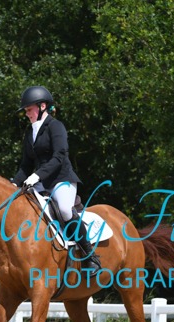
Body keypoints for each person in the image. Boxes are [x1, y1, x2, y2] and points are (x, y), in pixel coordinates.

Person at [11, 85, 102, 275]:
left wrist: (37, 175)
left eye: (29, 110)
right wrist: (13, 184)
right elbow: (26, 165)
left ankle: (90, 256)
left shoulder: (55, 126)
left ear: (42, 106)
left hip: (62, 180)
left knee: (65, 210)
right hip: (40, 183)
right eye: (26, 111)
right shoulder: (30, 133)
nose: (27, 114)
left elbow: (59, 156)